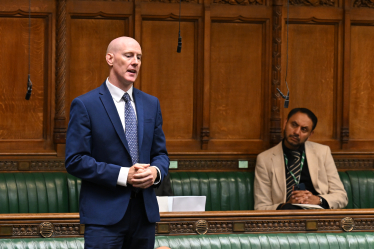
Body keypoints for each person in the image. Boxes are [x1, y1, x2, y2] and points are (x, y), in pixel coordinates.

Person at [65, 36, 169, 249]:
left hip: (144, 215)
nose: (135, 62)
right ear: (110, 59)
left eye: (139, 57)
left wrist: (156, 172)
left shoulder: (151, 104)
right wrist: (124, 175)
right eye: (129, 55)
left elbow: (161, 153)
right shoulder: (85, 105)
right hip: (104, 218)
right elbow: (75, 160)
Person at [254, 108, 347, 210]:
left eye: (304, 129)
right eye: (294, 125)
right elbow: (261, 207)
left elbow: (341, 196)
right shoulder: (264, 159)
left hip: (318, 215)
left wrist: (318, 200)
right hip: (286, 218)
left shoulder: (322, 152)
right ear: (285, 124)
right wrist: (287, 205)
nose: (297, 132)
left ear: (310, 134)